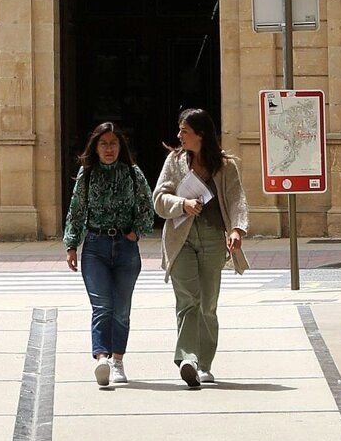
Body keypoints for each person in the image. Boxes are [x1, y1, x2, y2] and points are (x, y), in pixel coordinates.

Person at [153, 106, 249, 389]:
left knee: (208, 304)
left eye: (185, 131)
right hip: (180, 239)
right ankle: (188, 359)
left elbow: (236, 199)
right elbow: (159, 198)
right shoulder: (174, 161)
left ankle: (205, 363)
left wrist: (236, 229)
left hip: (211, 238)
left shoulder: (225, 166)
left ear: (201, 135)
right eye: (180, 130)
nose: (179, 135)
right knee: (187, 300)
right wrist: (181, 204)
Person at [63, 120, 155, 388]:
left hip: (125, 248)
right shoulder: (87, 174)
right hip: (95, 247)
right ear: (95, 146)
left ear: (120, 146)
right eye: (103, 144)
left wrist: (137, 232)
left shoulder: (132, 173)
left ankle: (118, 360)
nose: (109, 149)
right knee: (102, 306)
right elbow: (76, 209)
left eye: (113, 143)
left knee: (121, 310)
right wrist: (71, 244)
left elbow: (146, 206)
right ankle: (101, 358)